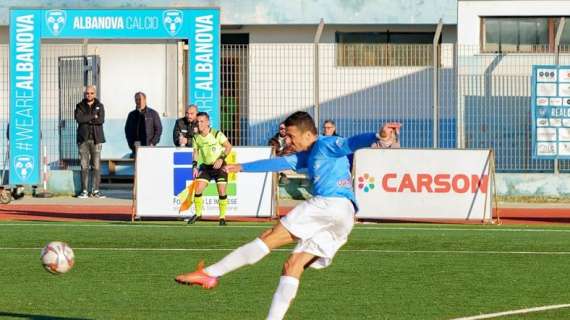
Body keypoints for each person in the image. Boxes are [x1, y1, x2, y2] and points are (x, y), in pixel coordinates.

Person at [175, 111, 379, 320]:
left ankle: (210, 274)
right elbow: (277, 164)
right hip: (344, 217)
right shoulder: (306, 155)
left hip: (328, 204)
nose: (287, 140)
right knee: (293, 265)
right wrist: (243, 167)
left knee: (269, 238)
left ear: (308, 134)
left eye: (291, 136)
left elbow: (351, 143)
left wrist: (376, 136)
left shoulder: (325, 144)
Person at [186, 112, 233, 226]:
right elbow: (196, 152)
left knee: (222, 191)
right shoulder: (196, 137)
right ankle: (198, 214)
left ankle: (222, 217)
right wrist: (194, 166)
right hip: (206, 167)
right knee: (198, 189)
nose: (199, 124)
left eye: (202, 121)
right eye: (198, 121)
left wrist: (221, 159)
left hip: (219, 166)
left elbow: (228, 146)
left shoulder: (216, 134)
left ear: (208, 122)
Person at [74, 85, 106, 198]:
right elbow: (79, 119)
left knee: (96, 166)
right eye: (87, 93)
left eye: (91, 93)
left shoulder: (100, 106)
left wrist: (87, 118)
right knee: (84, 166)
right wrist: (93, 116)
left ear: (95, 94)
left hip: (96, 140)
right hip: (83, 140)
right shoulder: (79, 106)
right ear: (84, 94)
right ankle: (84, 191)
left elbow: (101, 120)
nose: (89, 95)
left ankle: (96, 190)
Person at [124, 92, 163, 157]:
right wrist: (131, 144)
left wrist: (153, 143)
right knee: (137, 166)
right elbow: (127, 130)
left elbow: (159, 129)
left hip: (149, 148)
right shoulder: (131, 115)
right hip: (136, 149)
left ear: (145, 99)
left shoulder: (153, 113)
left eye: (139, 99)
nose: (138, 101)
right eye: (136, 100)